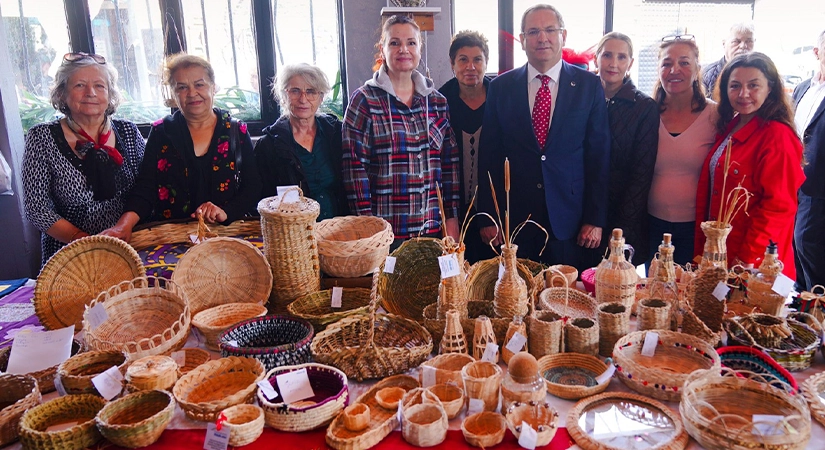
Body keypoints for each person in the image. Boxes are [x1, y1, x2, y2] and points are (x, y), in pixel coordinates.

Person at [477, 4, 610, 268]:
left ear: (564, 35)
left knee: (566, 291)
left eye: (550, 30)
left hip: (570, 222)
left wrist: (595, 219)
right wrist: (489, 216)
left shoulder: (589, 85)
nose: (542, 38)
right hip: (515, 222)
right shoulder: (501, 87)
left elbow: (599, 156)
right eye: (533, 31)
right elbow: (489, 156)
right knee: (516, 292)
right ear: (522, 39)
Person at [104, 54, 261, 242]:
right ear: (173, 93)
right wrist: (124, 225)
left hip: (227, 234)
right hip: (172, 237)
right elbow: (146, 188)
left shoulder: (235, 130)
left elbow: (253, 187)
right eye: (182, 87)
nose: (192, 93)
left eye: (199, 84)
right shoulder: (161, 132)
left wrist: (225, 212)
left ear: (213, 87)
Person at [342, 15, 460, 245]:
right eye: (395, 43)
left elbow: (449, 166)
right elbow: (355, 171)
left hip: (432, 230)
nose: (403, 49)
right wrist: (368, 230)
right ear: (382, 49)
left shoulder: (437, 102)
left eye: (411, 43)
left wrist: (451, 218)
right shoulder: (364, 101)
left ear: (419, 49)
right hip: (385, 236)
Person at [22, 52, 145, 264]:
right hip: (70, 256)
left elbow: (146, 188)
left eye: (99, 86)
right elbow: (37, 208)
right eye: (80, 85)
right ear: (62, 94)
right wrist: (86, 242)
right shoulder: (41, 137)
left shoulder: (128, 132)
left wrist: (122, 228)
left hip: (129, 246)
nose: (91, 93)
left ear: (110, 94)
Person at [695, 52, 804, 276]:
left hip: (753, 262)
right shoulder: (732, 125)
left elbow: (778, 208)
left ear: (770, 88)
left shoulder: (777, 136)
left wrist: (747, 257)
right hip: (723, 251)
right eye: (735, 86)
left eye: (753, 85)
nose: (743, 94)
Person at [582, 32, 658, 268]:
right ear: (596, 58)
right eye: (607, 55)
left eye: (621, 57)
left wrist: (619, 230)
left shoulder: (644, 107)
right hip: (581, 215)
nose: (613, 63)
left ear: (630, 63)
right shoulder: (580, 98)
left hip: (623, 216)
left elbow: (641, 174)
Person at [647, 35, 718, 266]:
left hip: (697, 227)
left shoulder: (716, 115)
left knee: (690, 285)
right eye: (667, 63)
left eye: (684, 62)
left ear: (697, 69)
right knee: (654, 286)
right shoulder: (646, 113)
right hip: (651, 223)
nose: (674, 70)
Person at [254, 63, 348, 221]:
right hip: (293, 230)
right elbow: (263, 201)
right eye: (295, 91)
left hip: (340, 227)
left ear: (321, 97)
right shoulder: (268, 145)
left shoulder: (337, 134)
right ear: (284, 96)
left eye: (311, 91)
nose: (303, 99)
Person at [438, 30, 494, 262]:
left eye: (477, 59)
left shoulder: (499, 98)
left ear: (486, 62)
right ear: (453, 64)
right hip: (451, 209)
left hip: (492, 210)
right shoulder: (440, 100)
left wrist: (493, 214)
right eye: (463, 59)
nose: (471, 67)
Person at [794, 30, 825, 290]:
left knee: (807, 242)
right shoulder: (802, 88)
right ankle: (801, 302)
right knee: (793, 245)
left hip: (818, 184)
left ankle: (818, 301)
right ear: (817, 52)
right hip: (792, 180)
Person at [702, 23, 755, 98]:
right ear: (724, 44)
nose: (743, 46)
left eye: (749, 41)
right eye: (736, 41)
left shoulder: (763, 73)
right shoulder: (708, 74)